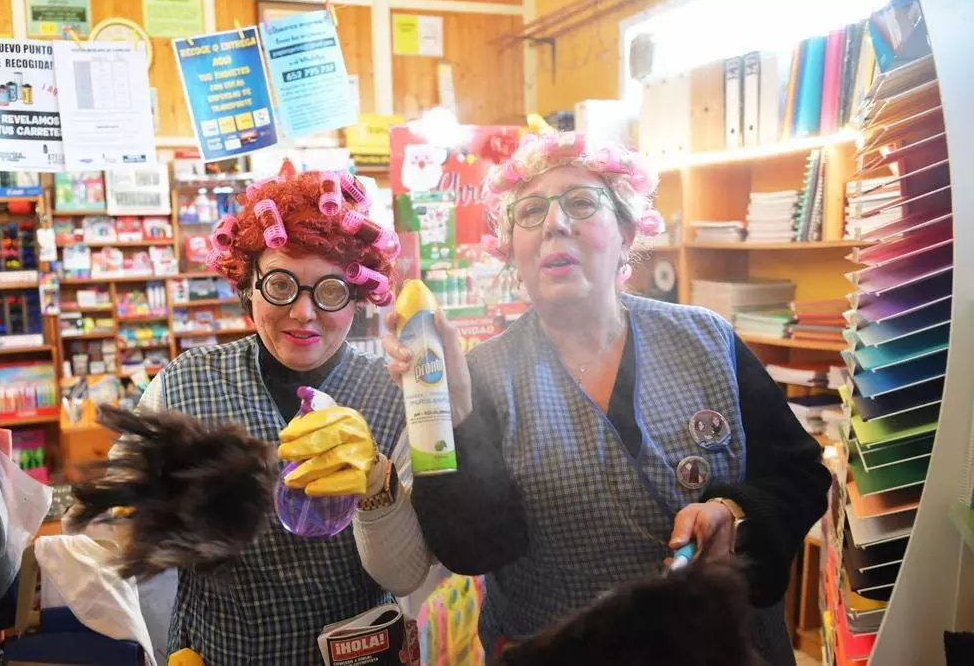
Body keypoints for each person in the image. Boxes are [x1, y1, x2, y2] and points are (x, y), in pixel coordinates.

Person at [352, 131, 831, 665]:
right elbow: (473, 550)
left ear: (626, 232)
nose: (554, 223)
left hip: (720, 648)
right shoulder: (481, 374)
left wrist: (733, 512)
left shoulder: (706, 340)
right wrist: (455, 409)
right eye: (530, 212)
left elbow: (800, 474)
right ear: (511, 251)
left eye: (581, 203)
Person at [104, 170, 409, 663]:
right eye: (281, 284)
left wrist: (376, 484)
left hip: (360, 651)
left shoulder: (393, 393)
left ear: (357, 297)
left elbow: (404, 574)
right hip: (222, 652)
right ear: (249, 284)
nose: (304, 312)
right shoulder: (184, 385)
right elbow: (118, 533)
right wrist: (159, 517)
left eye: (331, 291)